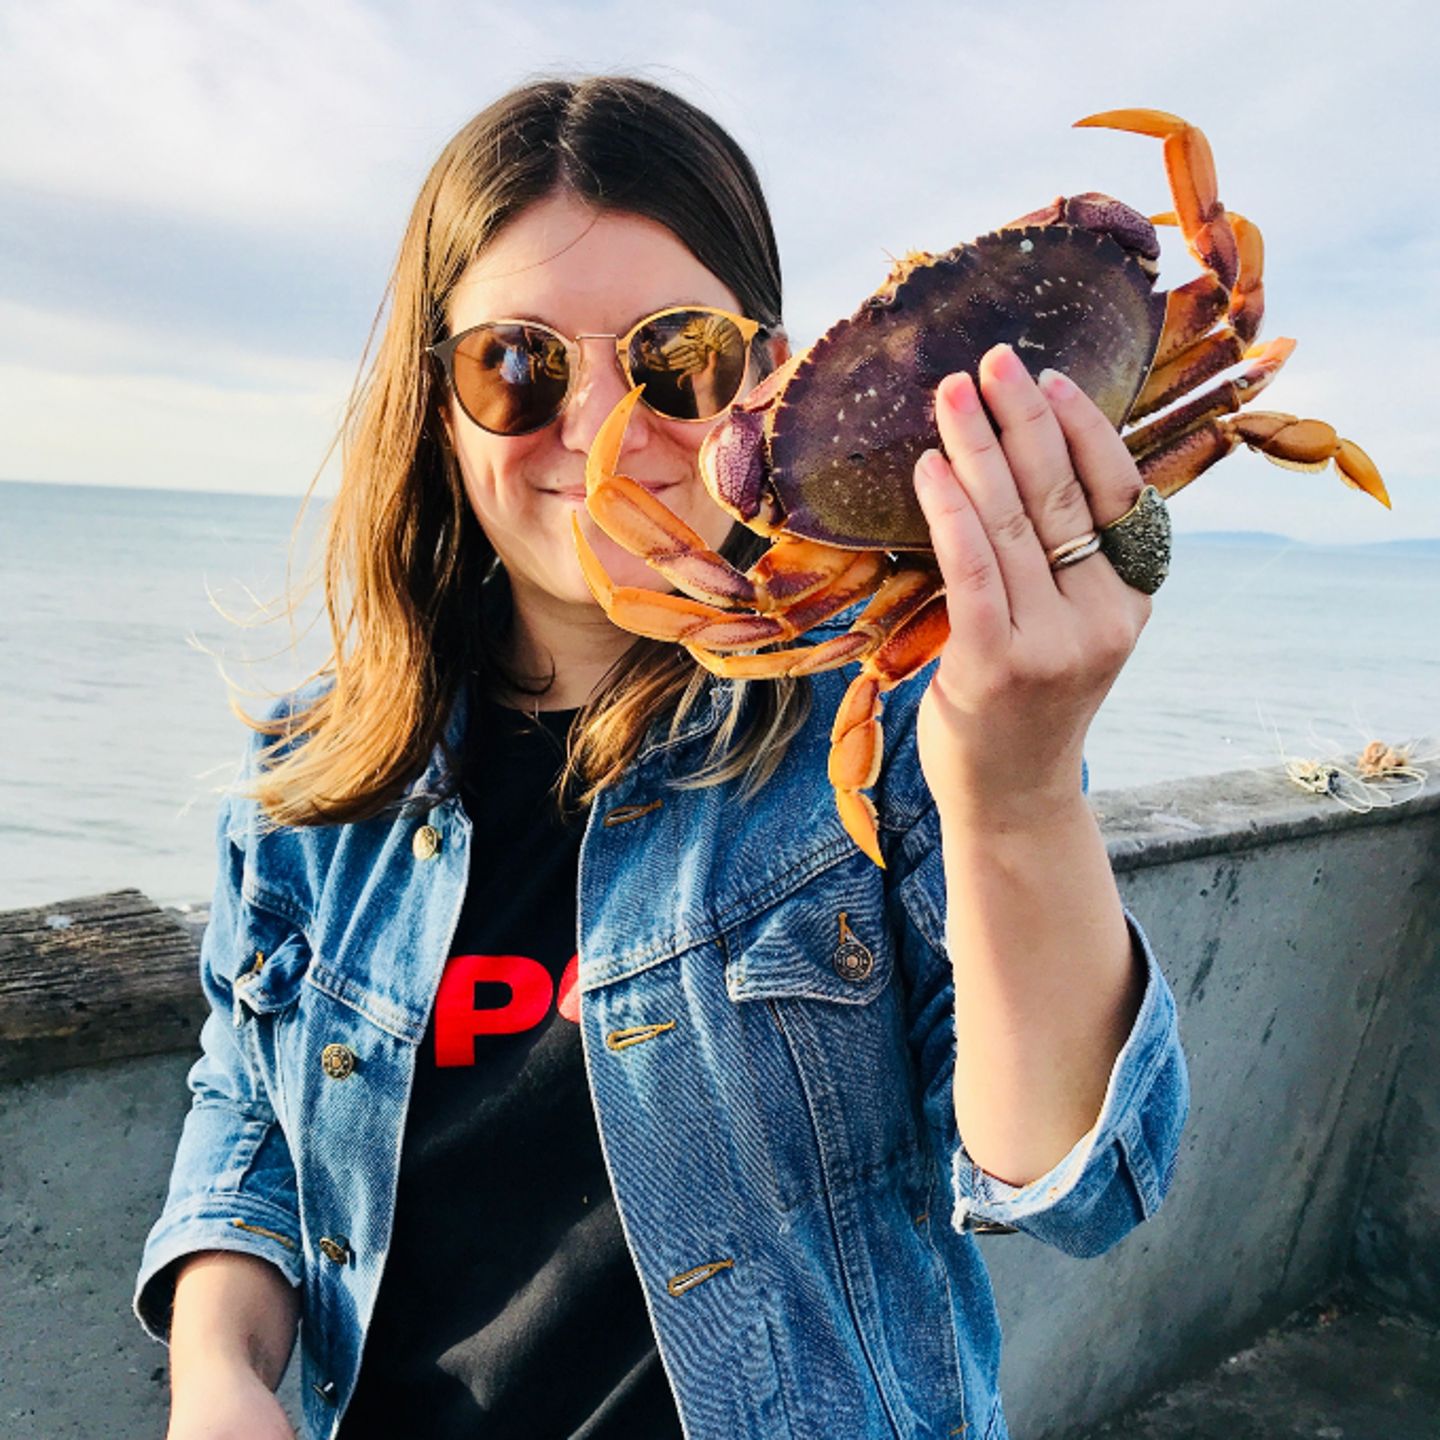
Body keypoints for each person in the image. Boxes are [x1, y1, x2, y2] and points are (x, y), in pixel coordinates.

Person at [133, 76, 1188, 1440]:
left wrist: (1022, 788)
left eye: (672, 358)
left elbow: (1082, 1184)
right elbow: (252, 1110)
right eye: (515, 364)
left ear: (771, 379)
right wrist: (217, 1374)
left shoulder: (904, 724)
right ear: (438, 407)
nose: (603, 429)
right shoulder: (311, 779)